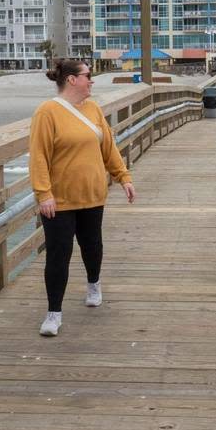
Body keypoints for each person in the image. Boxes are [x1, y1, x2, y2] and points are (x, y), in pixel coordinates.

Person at [30, 58, 135, 336]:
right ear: (72, 80)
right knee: (58, 254)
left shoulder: (93, 109)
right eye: (88, 75)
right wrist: (44, 194)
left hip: (92, 194)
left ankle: (93, 283)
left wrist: (123, 176)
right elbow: (38, 155)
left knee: (92, 245)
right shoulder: (47, 112)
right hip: (59, 199)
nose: (92, 80)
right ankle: (54, 313)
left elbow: (108, 147)